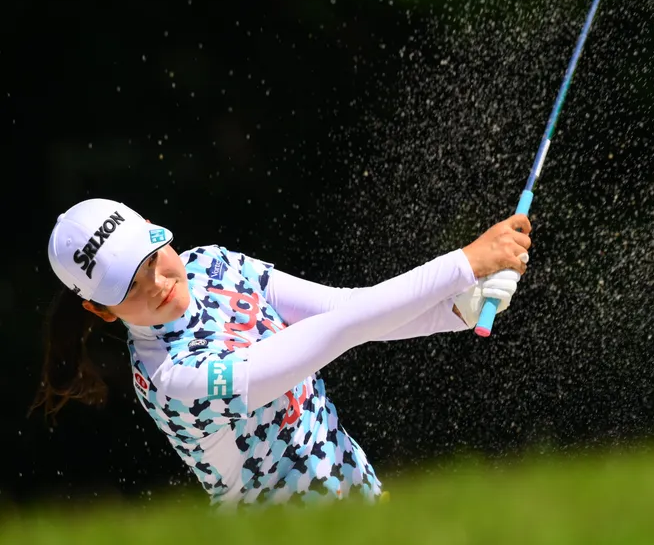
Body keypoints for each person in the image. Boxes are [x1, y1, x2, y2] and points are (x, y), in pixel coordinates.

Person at [31, 197, 530, 506]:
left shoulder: (211, 264)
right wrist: (463, 264)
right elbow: (341, 329)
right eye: (130, 288)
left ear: (151, 225)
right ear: (100, 311)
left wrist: (457, 310)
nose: (157, 284)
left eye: (151, 260)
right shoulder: (174, 378)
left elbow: (343, 307)